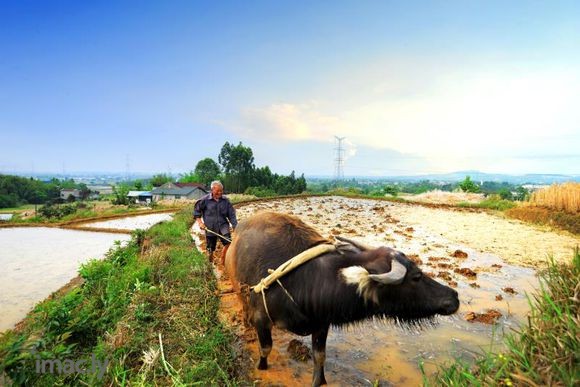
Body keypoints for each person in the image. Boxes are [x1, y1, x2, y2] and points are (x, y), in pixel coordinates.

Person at [194, 180, 237, 264]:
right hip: (210, 227)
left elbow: (231, 215)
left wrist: (236, 226)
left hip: (223, 226)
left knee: (228, 242)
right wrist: (200, 223)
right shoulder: (204, 200)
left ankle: (223, 259)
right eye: (218, 191)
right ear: (212, 190)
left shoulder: (226, 201)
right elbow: (196, 213)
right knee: (210, 248)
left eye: (221, 190)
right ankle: (210, 259)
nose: (220, 193)